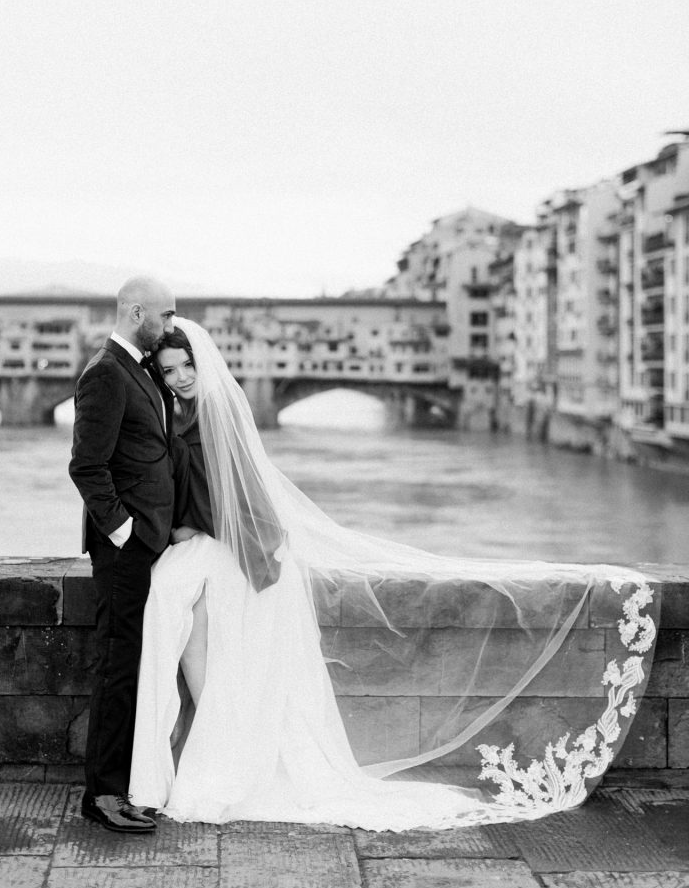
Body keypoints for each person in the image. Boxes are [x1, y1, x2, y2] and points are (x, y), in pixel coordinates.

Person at [129, 318, 659, 831]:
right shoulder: (178, 414)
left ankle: (219, 755)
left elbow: (238, 500)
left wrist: (191, 532)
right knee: (191, 629)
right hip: (215, 546)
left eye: (184, 367)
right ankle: (216, 750)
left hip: (235, 548)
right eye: (169, 371)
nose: (178, 378)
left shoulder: (215, 417)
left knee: (197, 630)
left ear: (202, 364)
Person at [68, 276, 177, 834]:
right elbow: (87, 465)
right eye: (165, 315)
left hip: (149, 542)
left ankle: (123, 786)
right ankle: (103, 796)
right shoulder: (106, 373)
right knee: (117, 668)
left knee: (134, 665)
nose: (172, 325)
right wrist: (123, 532)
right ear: (137, 312)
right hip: (126, 550)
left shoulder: (140, 366)